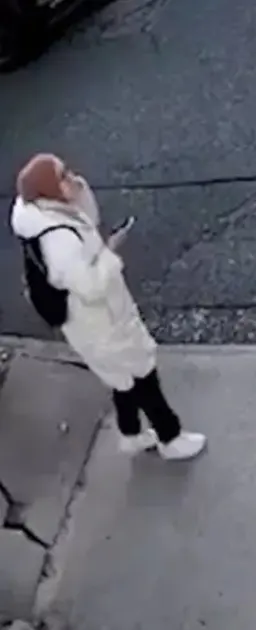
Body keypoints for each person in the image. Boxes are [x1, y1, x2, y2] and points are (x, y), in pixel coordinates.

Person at [11, 153, 207, 461]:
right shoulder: (57, 240)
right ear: (48, 190)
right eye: (63, 175)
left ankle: (131, 435)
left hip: (100, 317)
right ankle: (170, 438)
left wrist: (77, 189)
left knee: (122, 378)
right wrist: (109, 255)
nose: (71, 177)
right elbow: (90, 287)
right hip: (98, 321)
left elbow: (88, 219)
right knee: (142, 372)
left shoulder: (47, 212)